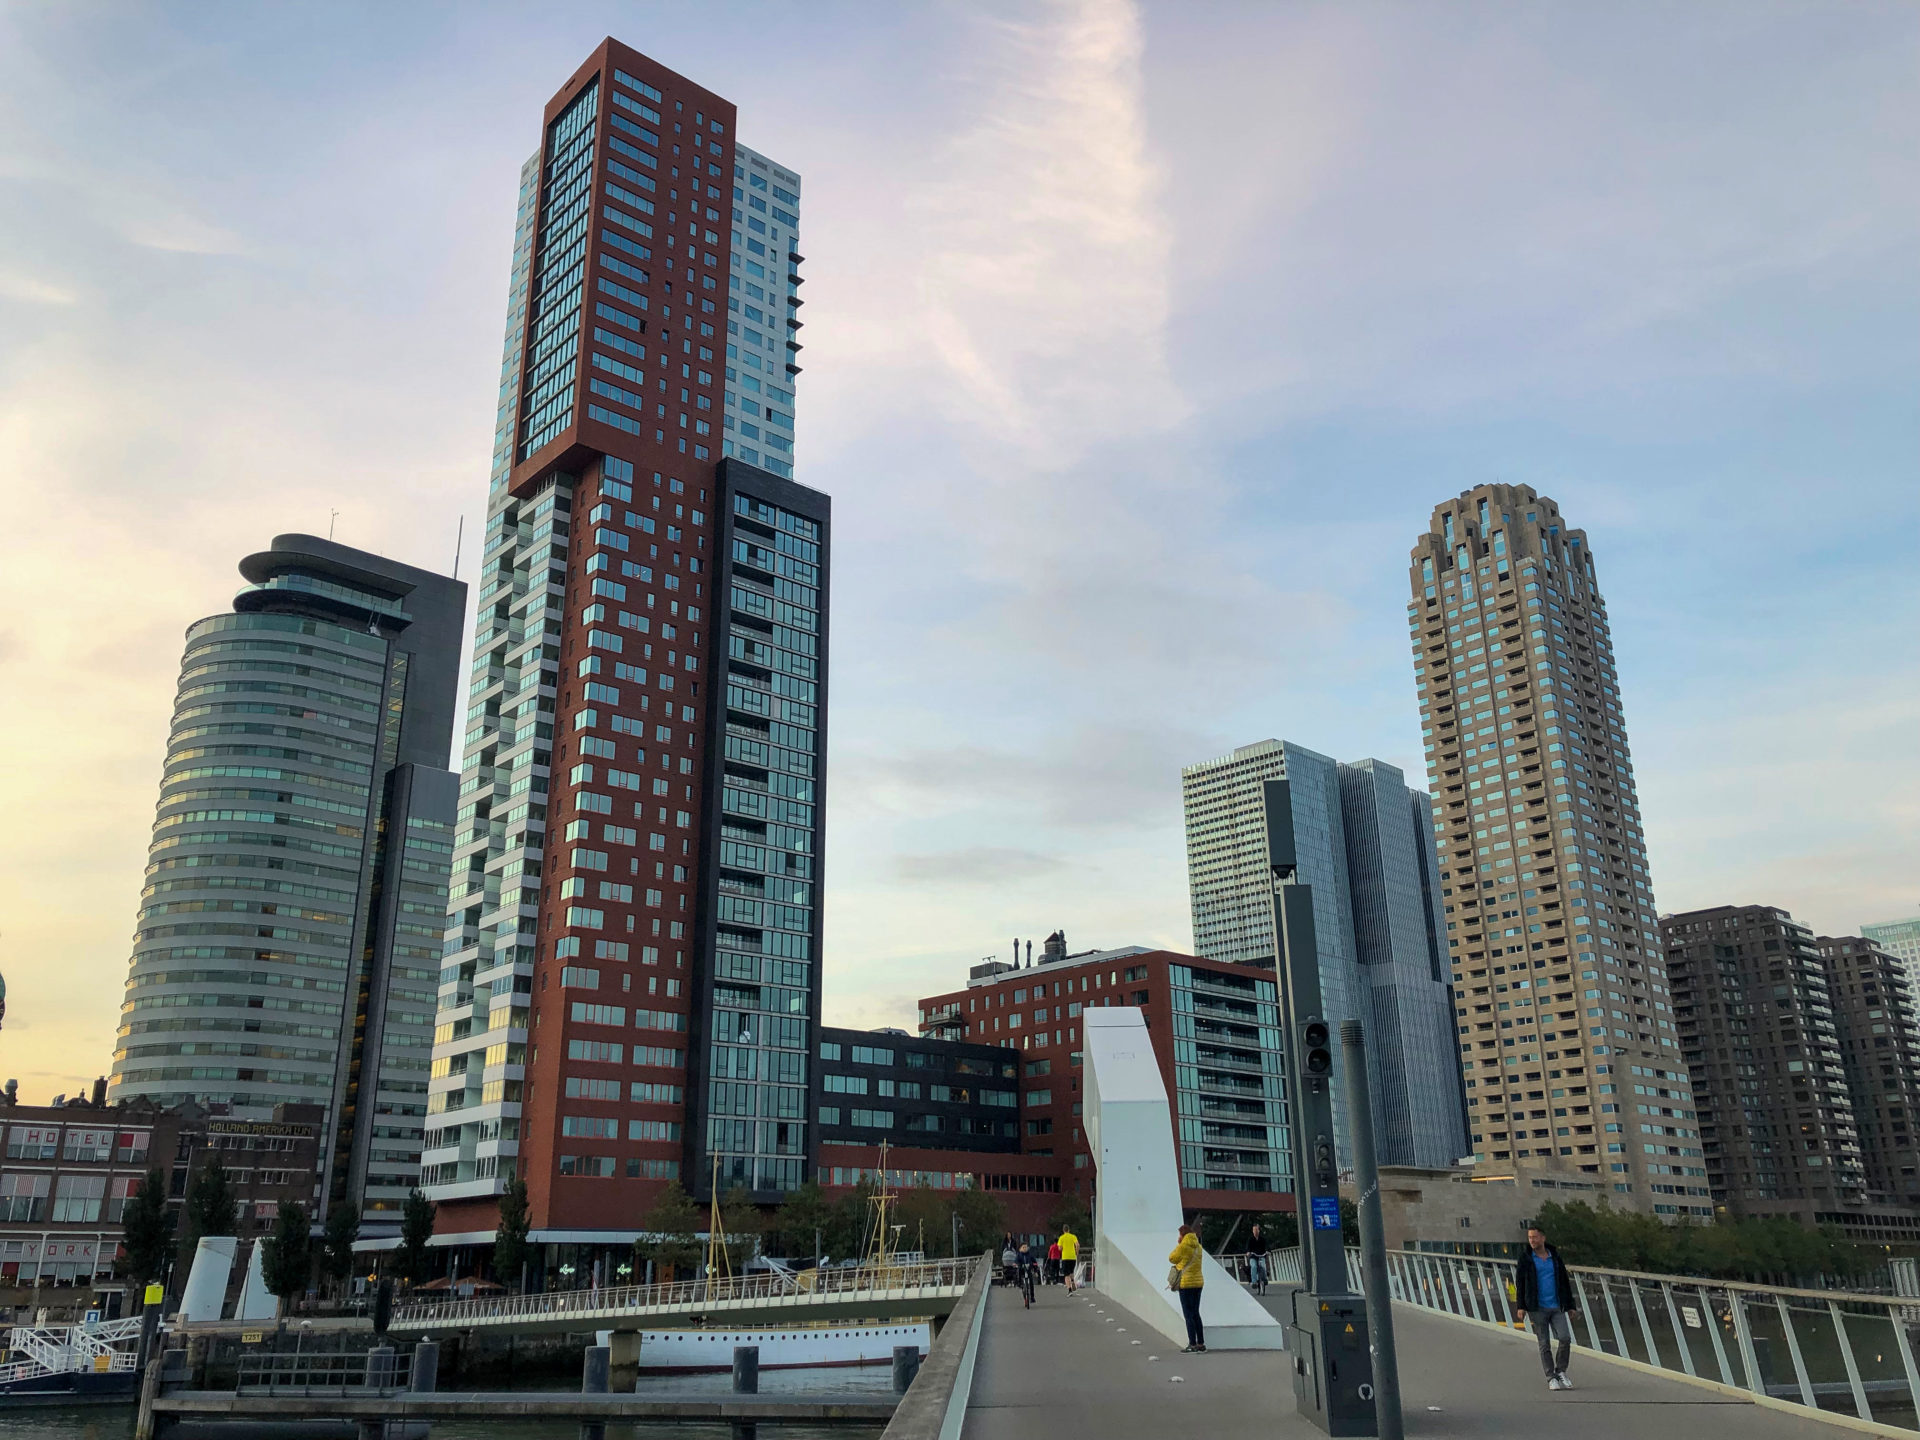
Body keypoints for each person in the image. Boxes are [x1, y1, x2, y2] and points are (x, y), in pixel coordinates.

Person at [1513, 1223, 1580, 1390]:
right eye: (1529, 1238)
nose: (1532, 1240)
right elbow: (1520, 1283)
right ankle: (1551, 1377)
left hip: (1557, 1305)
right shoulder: (1526, 1258)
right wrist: (1521, 1306)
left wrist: (1571, 1305)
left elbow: (1564, 1281)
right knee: (1544, 1343)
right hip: (1537, 1307)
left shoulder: (1555, 1257)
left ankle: (1561, 1371)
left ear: (1543, 1238)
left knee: (1565, 1338)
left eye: (1535, 1237)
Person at [1168, 1222, 1205, 1352]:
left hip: (1186, 1284)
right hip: (1198, 1283)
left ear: (1182, 1235)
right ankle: (1201, 1344)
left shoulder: (1183, 1246)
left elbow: (1171, 1258)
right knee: (1196, 1313)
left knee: (1188, 1315)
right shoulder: (1198, 1247)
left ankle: (1192, 1344)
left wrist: (1179, 1244)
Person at [1246, 1222, 1269, 1295]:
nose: (1255, 1231)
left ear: (1259, 1230)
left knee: (1263, 1266)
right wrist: (1248, 1252)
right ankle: (1254, 1282)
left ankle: (1264, 1279)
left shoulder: (1263, 1239)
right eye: (1254, 1230)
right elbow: (1248, 1247)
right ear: (1252, 1231)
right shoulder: (1250, 1239)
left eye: (1256, 1230)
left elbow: (1266, 1246)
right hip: (1253, 1256)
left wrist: (1268, 1251)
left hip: (1261, 1255)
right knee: (1254, 1267)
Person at [1057, 1225, 1080, 1294]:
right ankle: (1072, 1281)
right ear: (1069, 1230)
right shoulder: (1073, 1236)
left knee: (1066, 1274)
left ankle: (1069, 1290)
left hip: (1065, 1257)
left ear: (1063, 1230)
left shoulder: (1061, 1237)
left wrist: (1062, 1248)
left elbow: (1060, 1248)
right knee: (1071, 1271)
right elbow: (1077, 1245)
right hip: (1072, 1257)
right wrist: (1077, 1252)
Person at [1017, 1241, 1040, 1308]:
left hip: (1028, 1269)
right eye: (1023, 1247)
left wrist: (1035, 1270)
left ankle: (1032, 1297)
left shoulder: (1030, 1255)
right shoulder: (1019, 1255)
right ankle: (1019, 1283)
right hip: (1022, 1270)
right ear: (1020, 1249)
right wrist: (1016, 1264)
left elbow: (1034, 1262)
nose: (1025, 1249)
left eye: (1026, 1247)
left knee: (1031, 1283)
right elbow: (1016, 1261)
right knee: (1018, 1271)